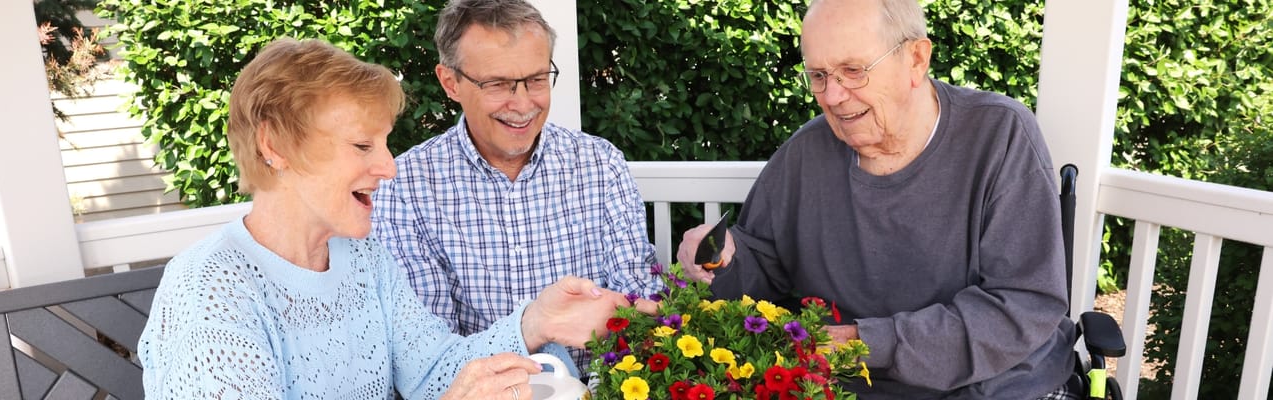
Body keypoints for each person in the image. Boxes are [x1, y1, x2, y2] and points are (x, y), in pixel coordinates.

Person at [138, 38, 627, 400]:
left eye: (385, 143)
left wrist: (535, 320)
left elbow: (434, 369)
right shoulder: (209, 292)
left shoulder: (361, 258)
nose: (389, 167)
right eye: (361, 146)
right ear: (275, 146)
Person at [674, 0, 1078, 398]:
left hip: (995, 386)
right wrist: (723, 258)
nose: (832, 95)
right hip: (848, 386)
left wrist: (866, 341)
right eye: (818, 75)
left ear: (916, 60)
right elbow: (764, 263)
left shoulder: (999, 134)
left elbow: (1023, 304)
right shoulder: (806, 152)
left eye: (853, 71)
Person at [370, 0, 662, 367]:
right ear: (450, 83)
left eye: (537, 79)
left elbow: (640, 301)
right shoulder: (407, 186)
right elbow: (429, 354)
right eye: (498, 84)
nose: (523, 103)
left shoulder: (600, 164)